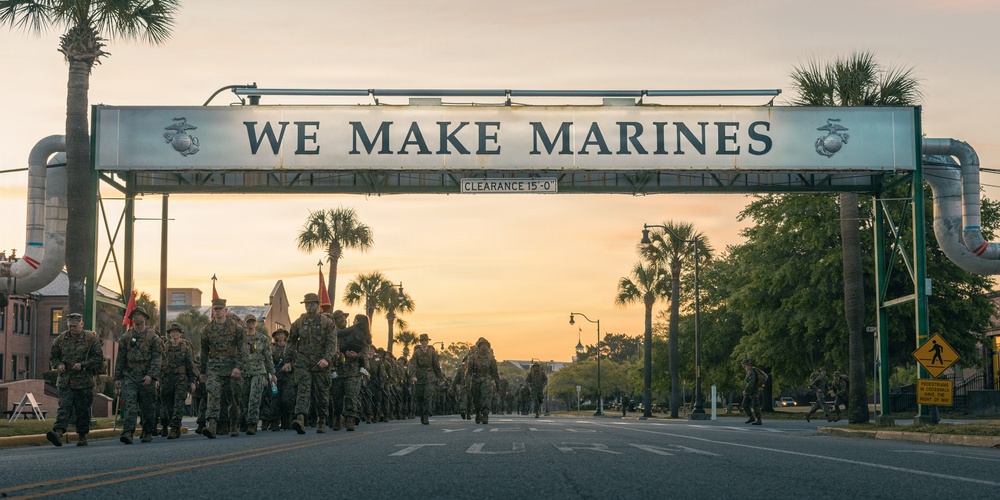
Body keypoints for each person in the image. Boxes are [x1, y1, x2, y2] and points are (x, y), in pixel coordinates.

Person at [46, 312, 103, 447]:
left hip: (84, 381)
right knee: (64, 407)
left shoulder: (91, 339)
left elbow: (98, 359)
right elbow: (53, 357)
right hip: (66, 380)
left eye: (75, 326)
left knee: (82, 409)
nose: (72, 329)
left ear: (81, 324)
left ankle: (82, 436)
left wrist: (83, 365)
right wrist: (58, 365)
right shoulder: (61, 339)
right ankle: (58, 432)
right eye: (70, 326)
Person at [288, 293, 337, 434]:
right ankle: (300, 418)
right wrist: (288, 360)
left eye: (311, 303)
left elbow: (332, 343)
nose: (308, 306)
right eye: (306, 304)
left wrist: (326, 359)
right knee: (303, 390)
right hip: (303, 362)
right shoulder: (298, 322)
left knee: (322, 393)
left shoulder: (327, 322)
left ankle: (321, 419)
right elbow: (291, 342)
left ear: (318, 305)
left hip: (320, 363)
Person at [115, 306, 163, 443]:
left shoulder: (153, 337)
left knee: (147, 406)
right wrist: (117, 377)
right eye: (134, 315)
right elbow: (121, 358)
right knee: (130, 404)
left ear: (145, 318)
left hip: (146, 376)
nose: (136, 317)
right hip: (130, 376)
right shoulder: (126, 337)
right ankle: (128, 432)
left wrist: (151, 375)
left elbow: (157, 358)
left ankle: (147, 431)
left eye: (139, 314)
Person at [199, 298, 247, 439]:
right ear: (213, 311)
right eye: (215, 309)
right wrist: (202, 371)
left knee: (234, 398)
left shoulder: (237, 328)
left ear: (226, 310)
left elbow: (243, 350)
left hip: (232, 368)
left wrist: (239, 367)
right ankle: (212, 425)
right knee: (213, 395)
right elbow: (204, 352)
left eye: (220, 309)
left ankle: (233, 425)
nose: (218, 311)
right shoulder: (206, 330)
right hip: (214, 368)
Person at [240, 314, 276, 435]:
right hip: (244, 372)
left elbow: (268, 357)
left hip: (259, 372)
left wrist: (272, 373)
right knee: (245, 399)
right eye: (248, 322)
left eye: (252, 322)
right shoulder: (240, 339)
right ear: (244, 324)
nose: (250, 324)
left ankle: (252, 423)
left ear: (256, 323)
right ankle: (246, 420)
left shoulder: (263, 339)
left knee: (254, 398)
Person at [160, 323, 197, 440]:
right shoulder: (165, 347)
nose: (175, 334)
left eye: (177, 332)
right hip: (167, 379)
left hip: (181, 379)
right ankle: (173, 424)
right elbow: (160, 364)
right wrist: (158, 379)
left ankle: (175, 428)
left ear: (180, 334)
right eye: (172, 332)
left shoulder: (185, 348)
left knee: (178, 404)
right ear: (170, 334)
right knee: (168, 406)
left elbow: (190, 365)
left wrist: (192, 381)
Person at [409, 333, 444, 425]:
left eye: (426, 341)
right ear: (420, 342)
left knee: (427, 396)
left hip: (430, 377)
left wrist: (440, 378)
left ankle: (425, 415)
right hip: (419, 378)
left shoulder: (432, 353)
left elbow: (436, 366)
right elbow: (412, 365)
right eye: (422, 341)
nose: (424, 342)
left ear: (428, 342)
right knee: (419, 397)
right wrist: (413, 376)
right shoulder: (416, 353)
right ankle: (421, 413)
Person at [466, 337, 500, 424]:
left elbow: (495, 372)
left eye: (486, 346)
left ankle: (485, 414)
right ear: (479, 347)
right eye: (482, 345)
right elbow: (469, 372)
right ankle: (477, 413)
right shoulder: (473, 357)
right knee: (476, 398)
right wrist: (467, 382)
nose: (484, 347)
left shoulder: (491, 358)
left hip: (487, 380)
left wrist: (497, 384)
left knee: (486, 397)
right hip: (476, 379)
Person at [269, 327, 296, 430]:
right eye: (278, 334)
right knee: (275, 398)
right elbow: (268, 360)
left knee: (287, 399)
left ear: (285, 336)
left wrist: (289, 366)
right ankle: (274, 422)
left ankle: (287, 421)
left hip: (288, 377)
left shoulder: (290, 348)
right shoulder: (272, 347)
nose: (280, 336)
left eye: (282, 334)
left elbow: (297, 361)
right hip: (275, 377)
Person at [740, 359, 763, 425]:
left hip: (753, 392)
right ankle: (751, 417)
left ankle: (759, 419)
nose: (743, 366)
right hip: (749, 392)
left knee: (755, 405)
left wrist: (745, 390)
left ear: (746, 364)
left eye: (743, 365)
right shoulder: (748, 372)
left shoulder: (752, 372)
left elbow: (751, 382)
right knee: (744, 404)